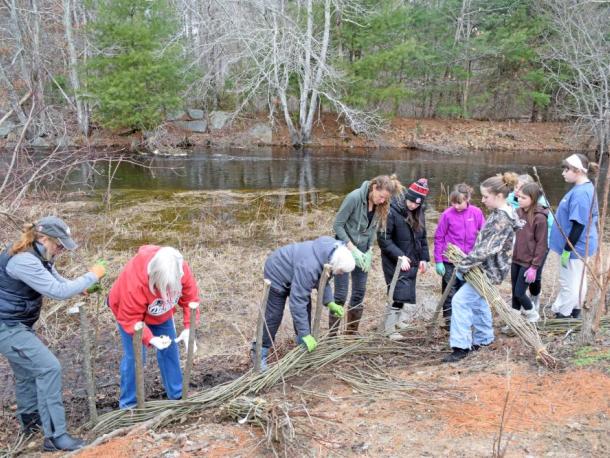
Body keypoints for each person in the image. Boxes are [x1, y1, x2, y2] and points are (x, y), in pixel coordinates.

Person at [0, 216, 105, 451]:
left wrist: (82, 288)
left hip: (16, 324)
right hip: (6, 327)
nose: (61, 250)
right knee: (49, 368)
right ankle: (56, 437)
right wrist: (92, 275)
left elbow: (59, 281)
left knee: (27, 372)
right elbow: (57, 292)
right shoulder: (23, 260)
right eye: (59, 245)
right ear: (43, 237)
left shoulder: (40, 255)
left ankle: (31, 424)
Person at [107, 245, 200, 409]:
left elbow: (191, 299)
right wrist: (150, 338)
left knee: (170, 348)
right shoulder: (134, 284)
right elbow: (130, 319)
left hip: (160, 313)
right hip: (128, 313)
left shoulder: (179, 268)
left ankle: (177, 394)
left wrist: (188, 328)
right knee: (136, 356)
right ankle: (129, 405)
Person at [442, 173, 521, 363]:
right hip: (490, 269)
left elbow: (486, 249)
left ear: (499, 196)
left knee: (460, 301)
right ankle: (484, 339)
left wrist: (463, 265)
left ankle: (460, 347)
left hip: (490, 270)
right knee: (479, 301)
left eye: (486, 196)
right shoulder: (502, 213)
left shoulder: (501, 220)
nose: (483, 200)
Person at [252, 236, 355, 370]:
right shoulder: (309, 266)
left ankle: (301, 346)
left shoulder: (332, 252)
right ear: (336, 264)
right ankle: (260, 353)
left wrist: (330, 302)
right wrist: (306, 333)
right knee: (274, 315)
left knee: (305, 309)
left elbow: (323, 279)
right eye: (341, 271)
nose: (341, 275)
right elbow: (297, 300)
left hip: (296, 269)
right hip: (277, 271)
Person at [331, 174, 402, 334]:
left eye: (385, 199)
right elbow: (338, 225)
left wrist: (369, 250)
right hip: (343, 249)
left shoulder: (380, 205)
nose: (382, 201)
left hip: (362, 251)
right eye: (381, 196)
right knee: (340, 295)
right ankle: (332, 336)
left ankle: (351, 334)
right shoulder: (354, 197)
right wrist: (352, 248)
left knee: (359, 293)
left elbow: (372, 229)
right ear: (374, 188)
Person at [378, 178, 431, 339]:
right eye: (411, 202)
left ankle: (397, 321)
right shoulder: (391, 211)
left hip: (412, 258)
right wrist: (400, 256)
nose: (413, 206)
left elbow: (422, 237)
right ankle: (388, 328)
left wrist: (424, 258)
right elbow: (383, 239)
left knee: (405, 292)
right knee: (397, 292)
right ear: (407, 196)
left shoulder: (418, 212)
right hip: (394, 259)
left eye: (417, 204)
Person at [549, 154, 599, 319]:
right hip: (580, 245)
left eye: (567, 169)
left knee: (568, 282)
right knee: (579, 278)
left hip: (575, 247)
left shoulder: (580, 194)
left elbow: (579, 225)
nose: (563, 173)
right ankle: (575, 310)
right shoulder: (584, 187)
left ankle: (563, 315)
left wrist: (566, 249)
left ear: (577, 171)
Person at [433, 183, 485, 330]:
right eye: (453, 202)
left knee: (466, 290)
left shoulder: (476, 213)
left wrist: (480, 256)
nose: (456, 206)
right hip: (449, 260)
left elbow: (484, 233)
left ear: (467, 198)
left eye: (459, 202)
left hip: (469, 260)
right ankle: (449, 321)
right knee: (450, 290)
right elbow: (439, 238)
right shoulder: (447, 215)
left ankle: (464, 318)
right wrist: (438, 260)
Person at [510, 182, 549, 323]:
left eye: (523, 198)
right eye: (518, 197)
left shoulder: (540, 218)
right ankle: (514, 320)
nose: (519, 200)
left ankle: (533, 315)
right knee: (514, 291)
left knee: (520, 293)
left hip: (529, 262)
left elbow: (542, 244)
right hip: (516, 258)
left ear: (532, 199)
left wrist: (534, 266)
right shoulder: (518, 212)